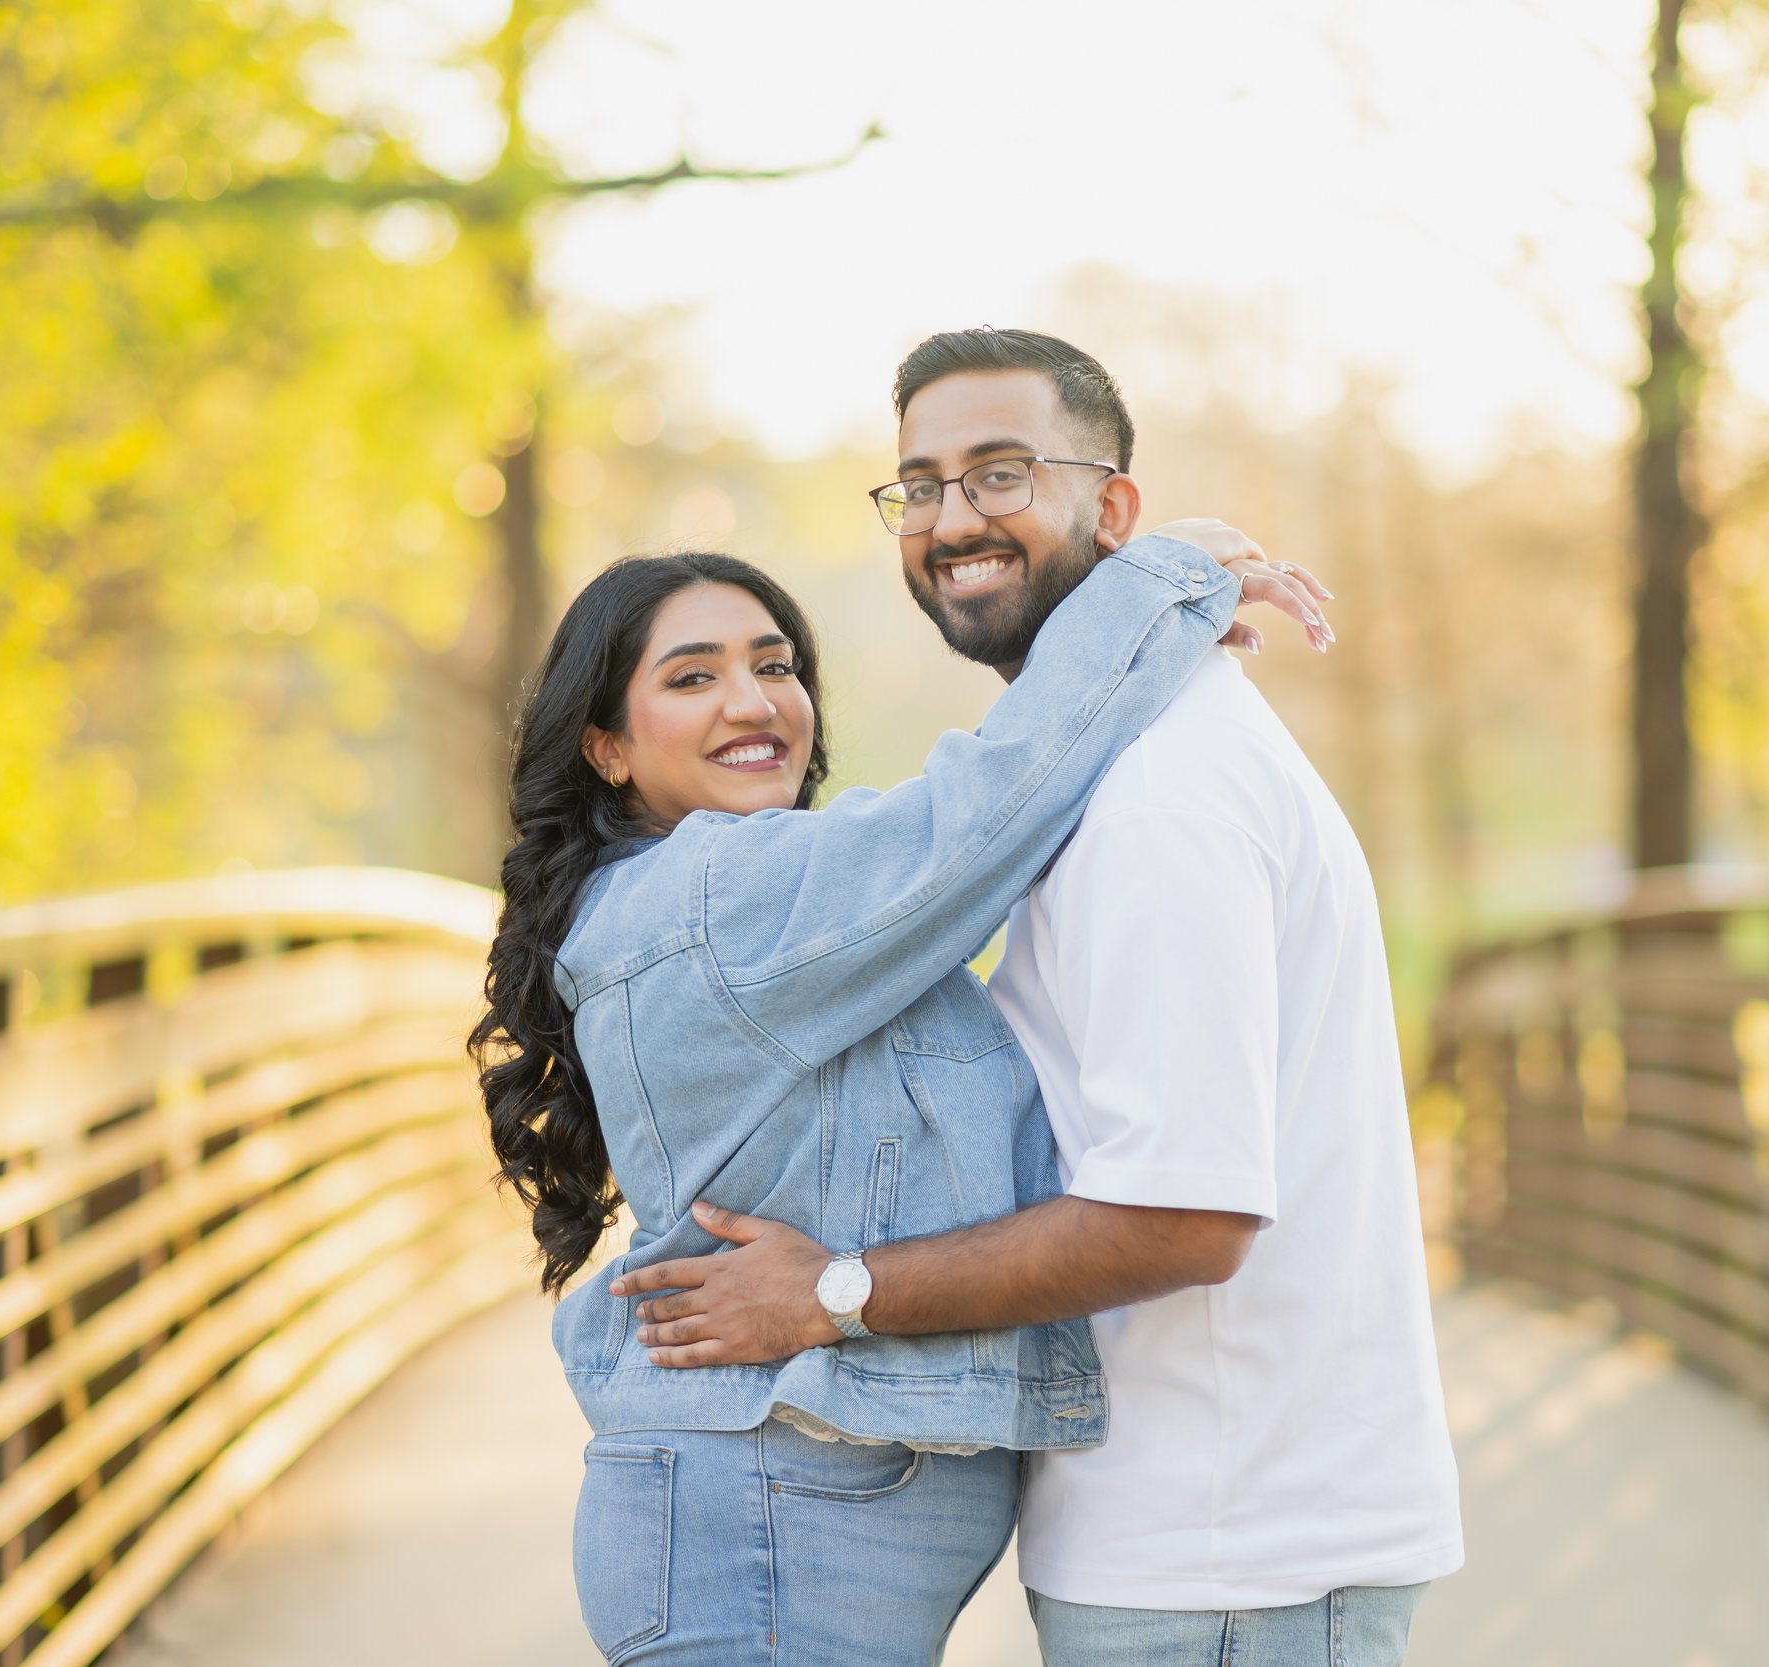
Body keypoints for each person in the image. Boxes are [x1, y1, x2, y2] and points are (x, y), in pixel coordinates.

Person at [614, 329, 1464, 1667]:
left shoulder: (1156, 802)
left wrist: (832, 1288)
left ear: (1111, 508)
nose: (955, 520)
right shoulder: (1115, 771)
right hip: (1199, 1541)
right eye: (922, 484)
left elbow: (1184, 1211)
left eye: (1002, 472)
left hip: (1227, 1554)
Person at [469, 507, 1329, 1654]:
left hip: (781, 1523)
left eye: (775, 663)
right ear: (606, 747)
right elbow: (983, 812)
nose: (753, 699)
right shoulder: (717, 894)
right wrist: (1162, 583)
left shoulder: (729, 899)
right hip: (760, 1534)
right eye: (692, 676)